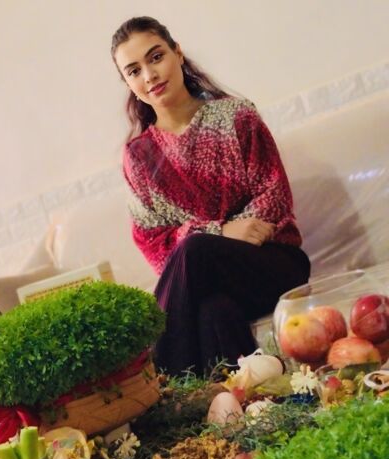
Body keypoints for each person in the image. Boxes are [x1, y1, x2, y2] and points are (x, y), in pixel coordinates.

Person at [110, 16, 311, 376]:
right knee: (214, 312)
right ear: (128, 83)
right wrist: (222, 231)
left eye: (156, 57)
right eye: (134, 71)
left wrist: (209, 239)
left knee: (195, 248)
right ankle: (247, 397)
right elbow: (153, 242)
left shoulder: (236, 117)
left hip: (272, 264)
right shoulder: (138, 157)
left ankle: (157, 380)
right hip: (208, 286)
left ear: (178, 53)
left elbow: (273, 197)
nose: (149, 75)